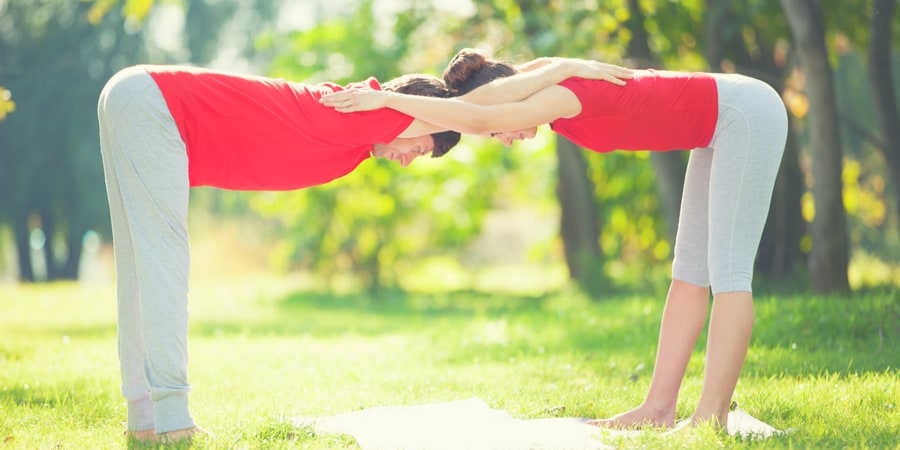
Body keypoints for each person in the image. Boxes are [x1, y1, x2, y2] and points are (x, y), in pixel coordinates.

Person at [96, 60, 632, 443]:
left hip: (139, 96)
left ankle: (147, 416)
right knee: (162, 259)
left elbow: (475, 103)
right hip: (155, 104)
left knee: (142, 266)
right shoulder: (374, 110)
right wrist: (563, 69)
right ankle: (171, 419)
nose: (406, 158)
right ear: (416, 118)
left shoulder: (356, 125)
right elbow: (484, 106)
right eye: (418, 148)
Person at [321, 48, 788, 430]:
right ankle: (658, 409)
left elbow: (478, 117)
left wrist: (388, 102)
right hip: (716, 125)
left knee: (728, 272)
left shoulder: (560, 97)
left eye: (505, 124)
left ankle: (711, 419)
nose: (505, 138)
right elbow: (489, 102)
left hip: (743, 115)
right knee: (689, 272)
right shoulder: (546, 80)